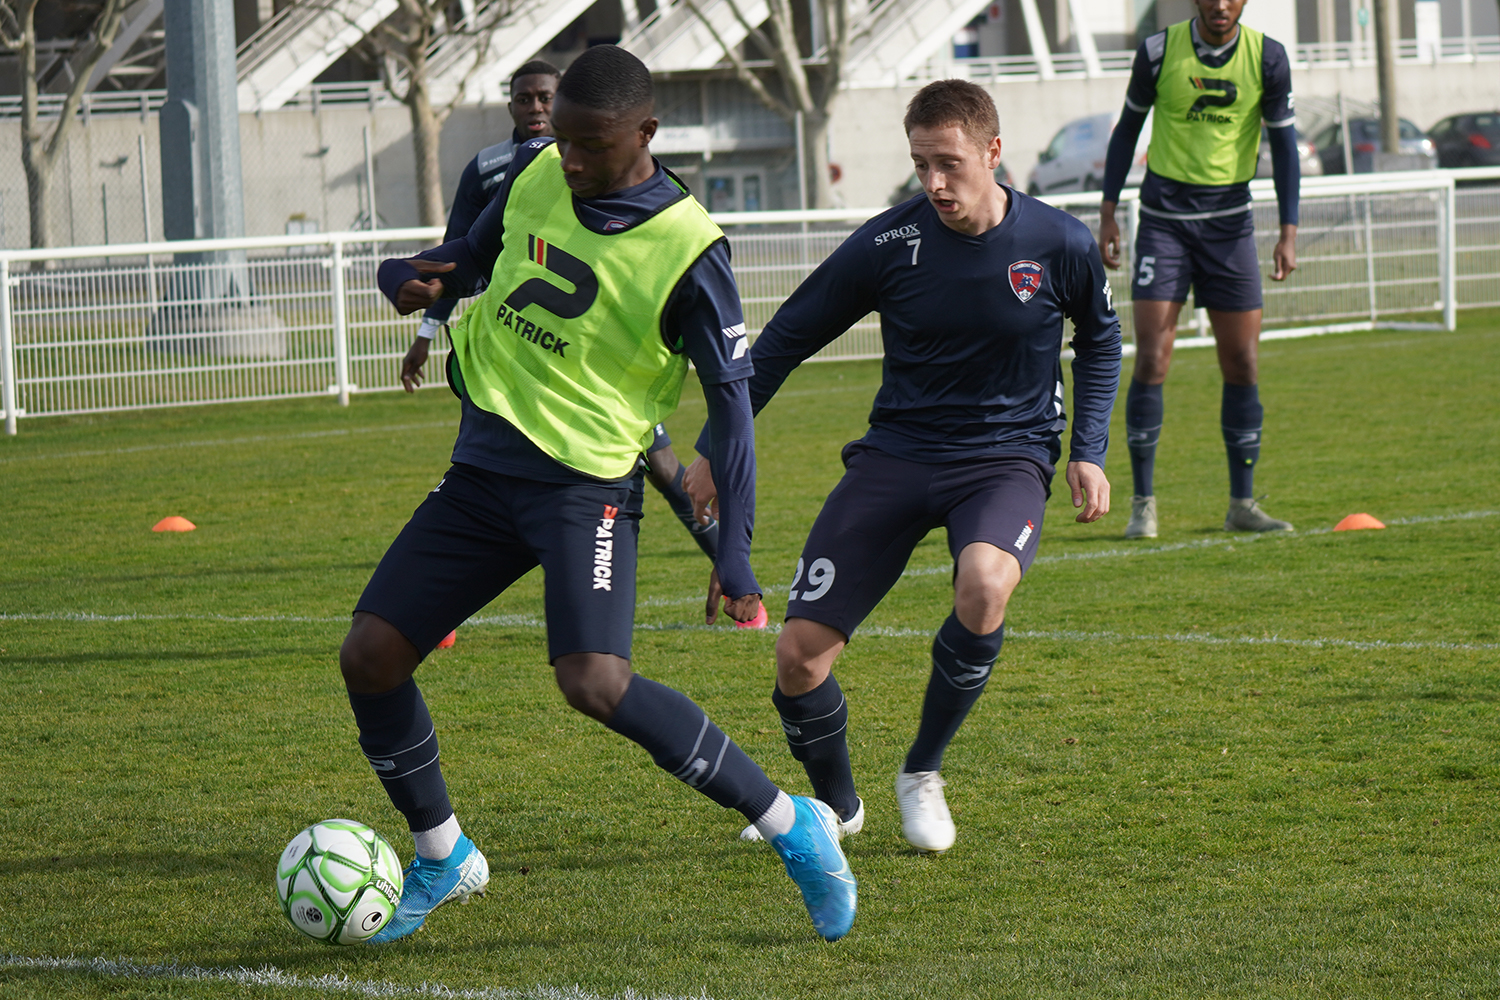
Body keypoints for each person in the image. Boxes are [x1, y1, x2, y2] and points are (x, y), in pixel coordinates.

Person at [344, 45, 855, 944]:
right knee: (371, 657)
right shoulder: (541, 173)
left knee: (594, 683)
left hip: (584, 490)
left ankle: (791, 822)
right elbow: (468, 255)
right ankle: (443, 853)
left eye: (591, 144)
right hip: (483, 470)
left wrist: (732, 552)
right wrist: (404, 273)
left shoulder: (690, 247)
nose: (569, 159)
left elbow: (731, 414)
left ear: (645, 133)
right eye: (563, 142)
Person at [685, 80, 1120, 853]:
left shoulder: (1060, 243)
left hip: (1006, 459)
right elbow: (783, 341)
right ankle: (838, 807)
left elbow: (1100, 341)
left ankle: (922, 771)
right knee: (797, 659)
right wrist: (715, 448)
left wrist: (1087, 449)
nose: (933, 183)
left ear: (993, 151)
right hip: (897, 456)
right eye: (920, 164)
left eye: (948, 163)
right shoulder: (891, 242)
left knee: (985, 583)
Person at [398, 60, 724, 570]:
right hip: (514, 357)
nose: (536, 109)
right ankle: (437, 592)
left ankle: (724, 561)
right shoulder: (495, 167)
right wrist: (426, 326)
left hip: (599, 369)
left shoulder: (616, 174)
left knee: (663, 468)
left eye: (545, 99)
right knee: (488, 471)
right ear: (510, 105)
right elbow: (457, 255)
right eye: (525, 99)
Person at [1097, 0, 1300, 538]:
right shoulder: (1159, 52)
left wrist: (1288, 230)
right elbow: (1127, 130)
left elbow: (1284, 145)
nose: (1220, 5)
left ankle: (1242, 504)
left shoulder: (1268, 58)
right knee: (1153, 359)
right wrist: (1108, 211)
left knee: (1242, 361)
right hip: (1165, 224)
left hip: (1231, 227)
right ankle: (1143, 503)